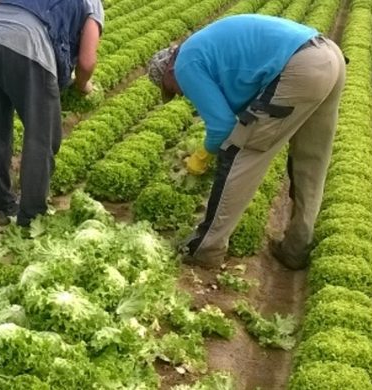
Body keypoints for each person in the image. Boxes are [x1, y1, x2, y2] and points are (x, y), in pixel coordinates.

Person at [147, 14, 346, 270]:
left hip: (300, 66)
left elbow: (222, 127)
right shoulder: (204, 46)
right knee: (310, 161)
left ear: (169, 70)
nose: (179, 93)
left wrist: (203, 155)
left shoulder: (185, 64)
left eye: (171, 88)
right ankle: (296, 248)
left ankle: (207, 248)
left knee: (241, 151)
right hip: (328, 55)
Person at [0, 0, 104, 227]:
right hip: (28, 40)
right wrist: (83, 85)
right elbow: (86, 63)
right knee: (42, 134)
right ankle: (32, 215)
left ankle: (1, 204)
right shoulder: (93, 3)